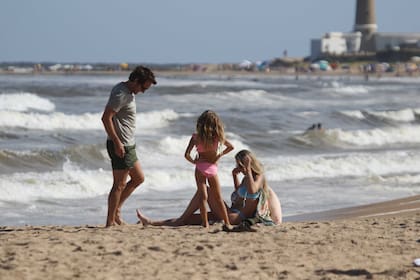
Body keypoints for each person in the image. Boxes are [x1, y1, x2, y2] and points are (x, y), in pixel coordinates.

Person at [136, 149, 282, 229]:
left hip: (236, 218)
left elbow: (252, 191)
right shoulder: (245, 178)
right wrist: (234, 177)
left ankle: (176, 220)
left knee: (205, 188)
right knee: (189, 219)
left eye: (240, 165)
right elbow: (240, 194)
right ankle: (152, 222)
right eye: (238, 165)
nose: (240, 168)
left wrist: (249, 170)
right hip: (231, 213)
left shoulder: (258, 176)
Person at [101, 66, 157, 227]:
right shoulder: (121, 94)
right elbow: (106, 118)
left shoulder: (128, 92)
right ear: (135, 81)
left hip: (128, 144)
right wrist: (117, 142)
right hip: (121, 144)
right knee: (119, 185)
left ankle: (116, 210)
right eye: (143, 87)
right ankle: (110, 221)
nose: (143, 92)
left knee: (138, 178)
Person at [184, 110, 234, 228]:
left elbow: (186, 154)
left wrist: (195, 162)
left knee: (203, 196)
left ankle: (205, 223)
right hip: (212, 168)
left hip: (200, 168)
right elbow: (231, 147)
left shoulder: (196, 137)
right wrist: (219, 155)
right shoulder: (218, 137)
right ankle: (227, 223)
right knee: (218, 198)